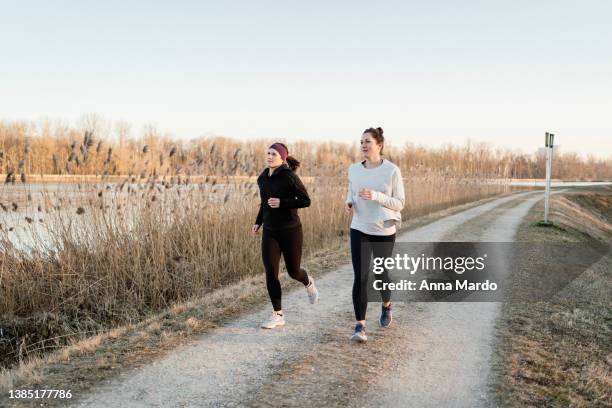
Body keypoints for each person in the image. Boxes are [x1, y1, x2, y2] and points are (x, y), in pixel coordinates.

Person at [345, 127, 405, 342]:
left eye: (368, 141)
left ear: (379, 145)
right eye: (361, 141)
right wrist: (349, 202)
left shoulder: (391, 171)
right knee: (360, 276)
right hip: (359, 227)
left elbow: (400, 203)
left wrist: (377, 196)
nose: (363, 145)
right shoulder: (354, 169)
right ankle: (360, 326)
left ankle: (386, 305)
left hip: (384, 230)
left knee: (381, 276)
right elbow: (351, 191)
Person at [253, 142, 319, 329]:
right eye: (268, 153)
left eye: (274, 153)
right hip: (270, 232)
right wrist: (258, 222)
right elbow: (264, 203)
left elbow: (306, 201)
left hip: (291, 231)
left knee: (293, 271)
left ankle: (308, 282)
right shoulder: (263, 178)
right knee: (271, 272)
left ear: (282, 157)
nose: (270, 156)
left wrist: (282, 203)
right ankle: (278, 314)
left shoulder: (290, 177)